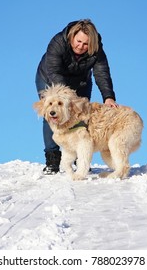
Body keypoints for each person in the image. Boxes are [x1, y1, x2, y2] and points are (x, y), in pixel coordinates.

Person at [35, 19, 118, 175]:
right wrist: (67, 98)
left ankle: (81, 159)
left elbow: (102, 73)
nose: (81, 46)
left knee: (81, 116)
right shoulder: (58, 42)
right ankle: (52, 160)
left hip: (80, 82)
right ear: (72, 37)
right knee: (54, 113)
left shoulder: (97, 49)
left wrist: (108, 97)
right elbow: (54, 71)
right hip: (50, 80)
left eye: (86, 44)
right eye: (78, 41)